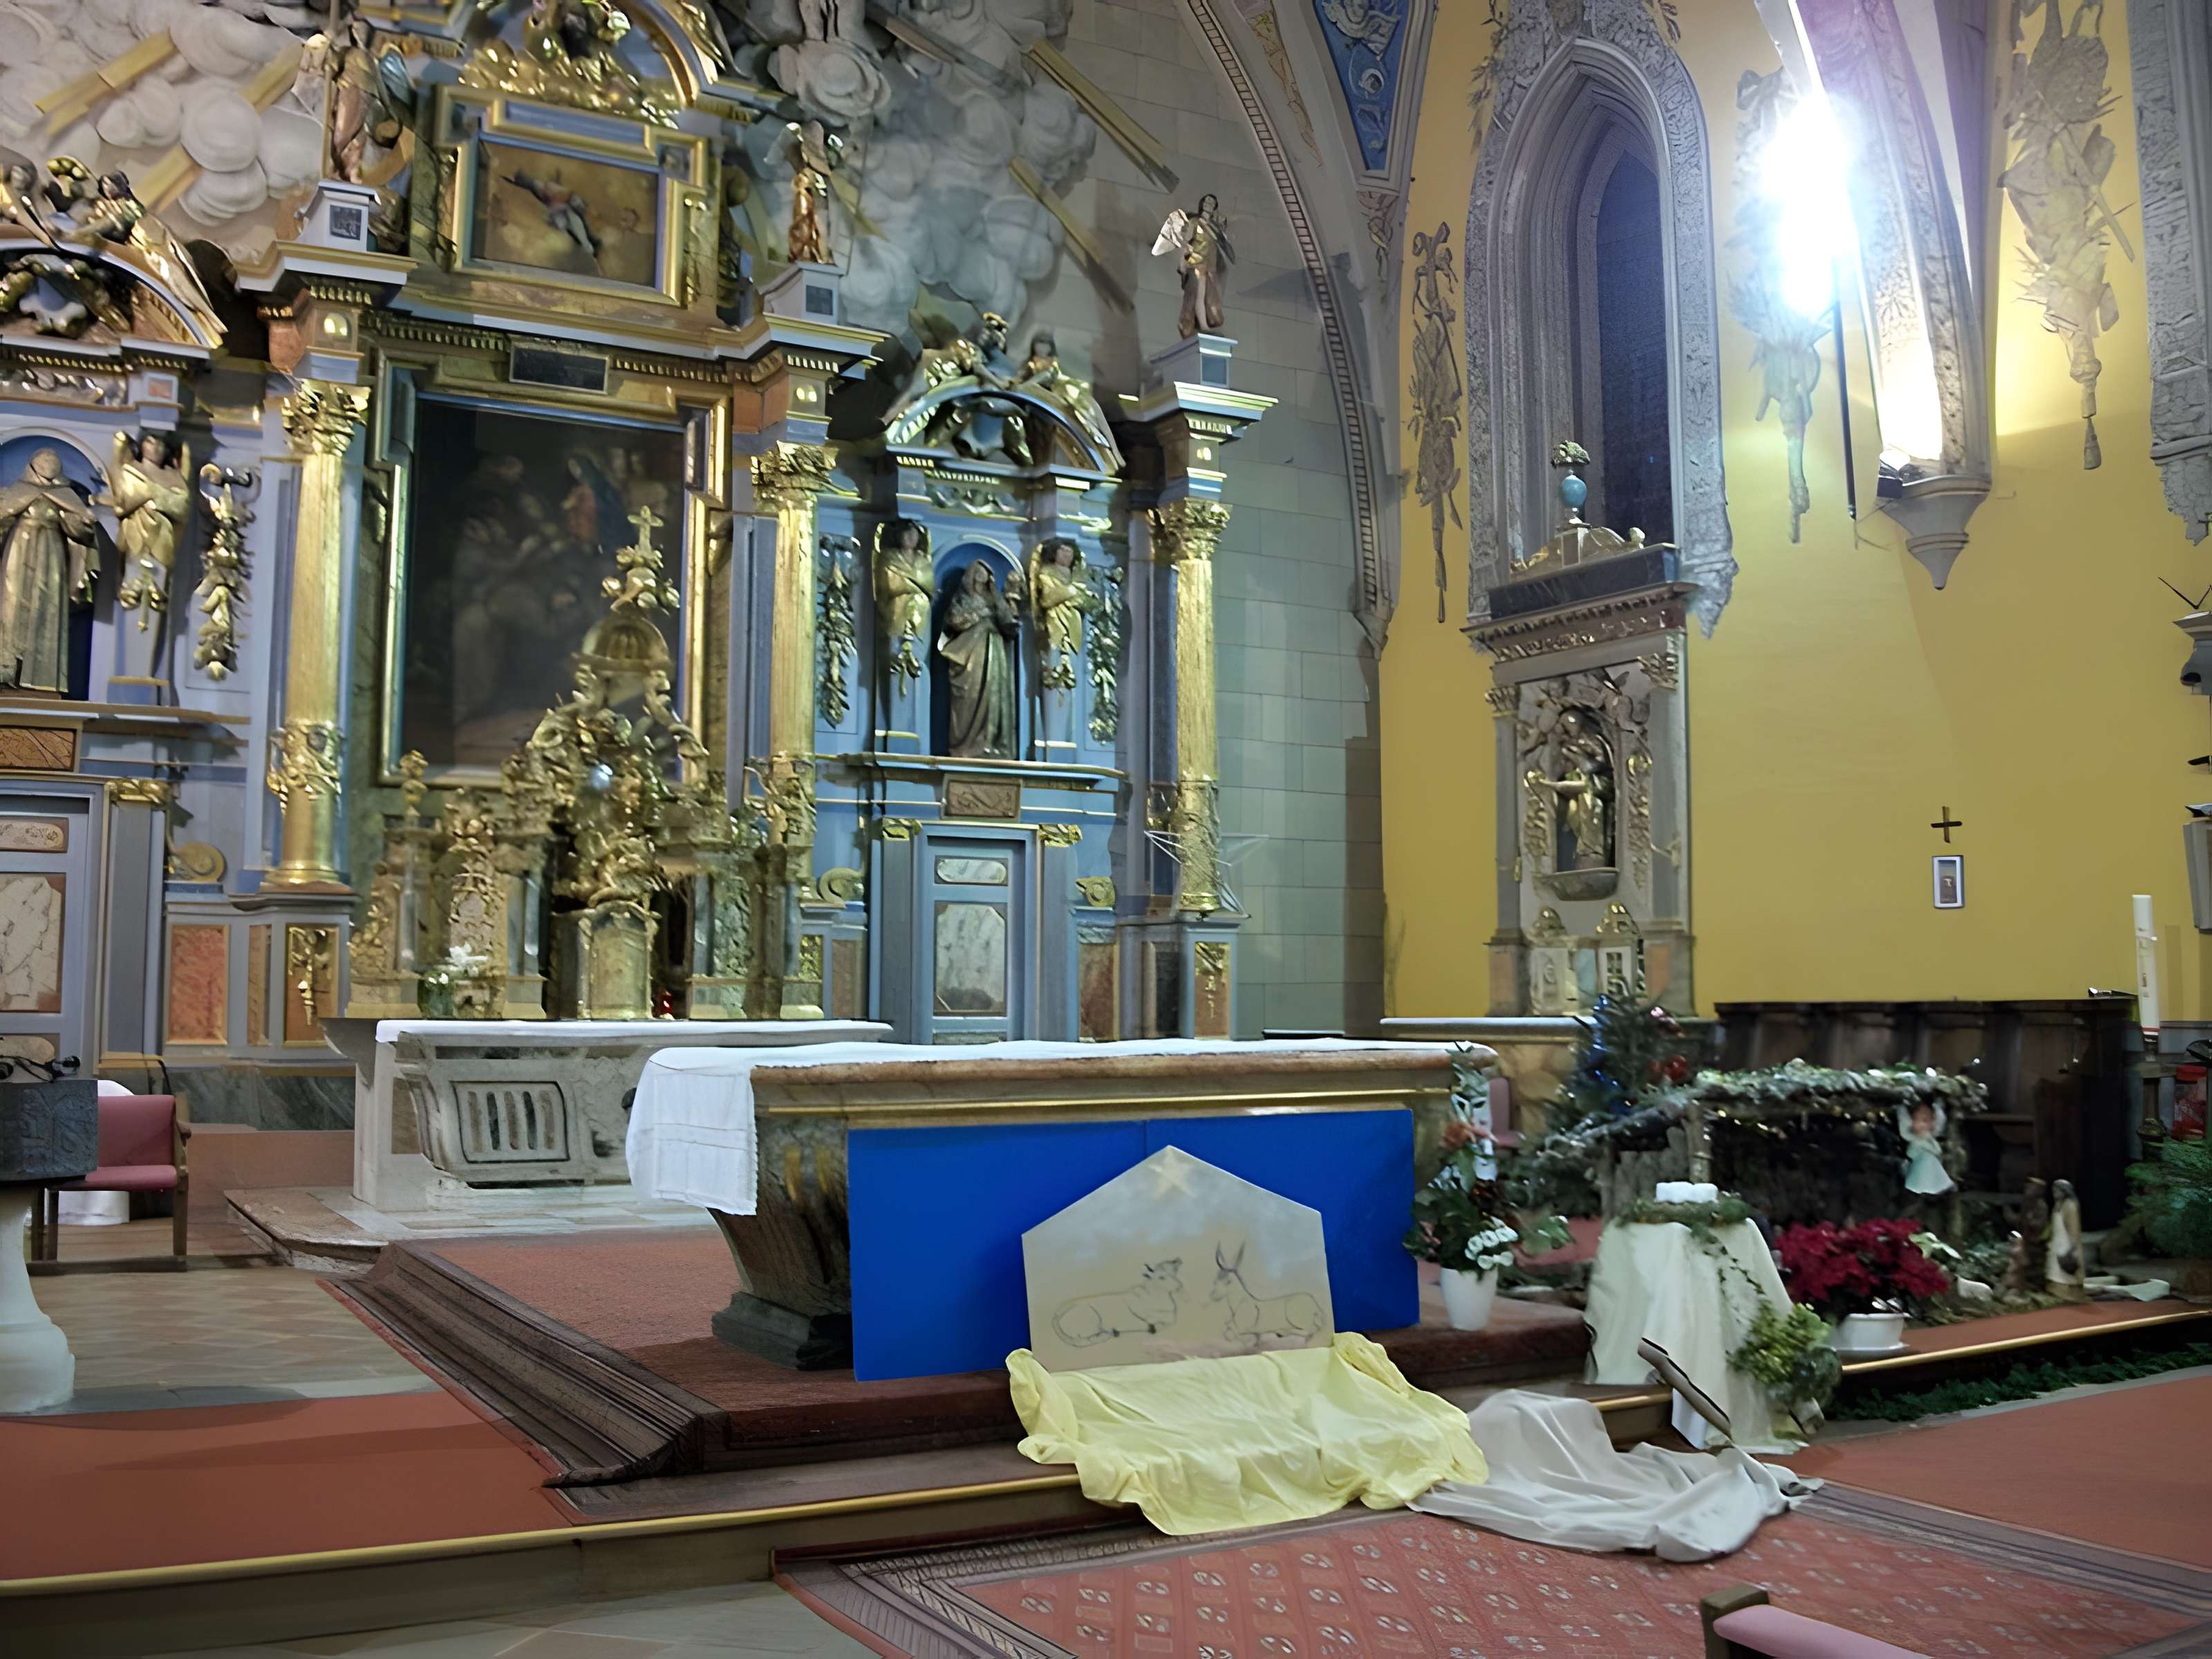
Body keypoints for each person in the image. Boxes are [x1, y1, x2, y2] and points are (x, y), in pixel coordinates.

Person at [0, 449, 97, 693]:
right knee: (11, 609)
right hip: (18, 551)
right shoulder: (16, 491)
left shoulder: (64, 496)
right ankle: (8, 672)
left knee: (46, 611)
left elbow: (81, 534)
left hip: (51, 556)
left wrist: (81, 518)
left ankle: (41, 679)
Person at [938, 561, 1018, 758]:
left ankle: (992, 743)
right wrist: (979, 615)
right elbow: (953, 621)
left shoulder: (995, 599)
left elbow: (1010, 625)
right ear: (971, 575)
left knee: (994, 696)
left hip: (995, 651)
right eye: (979, 572)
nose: (982, 576)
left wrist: (1004, 606)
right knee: (970, 697)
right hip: (971, 652)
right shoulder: (963, 598)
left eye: (986, 573)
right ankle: (967, 746)